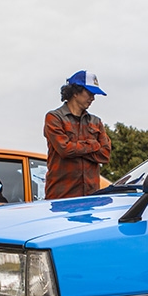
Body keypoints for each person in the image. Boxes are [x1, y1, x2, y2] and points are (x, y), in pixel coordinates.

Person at [44, 70, 111, 199]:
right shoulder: (54, 118)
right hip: (61, 197)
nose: (93, 98)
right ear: (75, 92)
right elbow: (65, 150)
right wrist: (94, 145)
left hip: (91, 197)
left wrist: (75, 147)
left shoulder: (96, 121)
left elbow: (105, 154)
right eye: (89, 93)